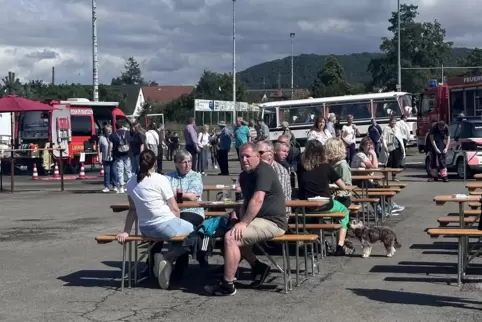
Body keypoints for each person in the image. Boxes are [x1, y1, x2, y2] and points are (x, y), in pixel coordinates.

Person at [204, 143, 287, 296]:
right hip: (258, 220)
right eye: (241, 156)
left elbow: (257, 199)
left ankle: (227, 284)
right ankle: (258, 266)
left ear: (258, 156)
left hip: (273, 221)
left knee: (231, 238)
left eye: (248, 156)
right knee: (231, 231)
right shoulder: (244, 175)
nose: (244, 159)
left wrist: (243, 223)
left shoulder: (264, 170)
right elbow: (246, 202)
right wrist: (238, 220)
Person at [115, 150, 194, 290]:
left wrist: (126, 231)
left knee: (181, 235)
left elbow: (132, 210)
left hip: (146, 228)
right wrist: (178, 225)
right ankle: (167, 258)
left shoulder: (131, 182)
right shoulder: (161, 179)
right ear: (155, 163)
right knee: (196, 233)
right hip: (165, 224)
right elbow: (174, 208)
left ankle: (164, 263)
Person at [297, 140, 350, 256]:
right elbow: (343, 185)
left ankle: (320, 242)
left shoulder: (300, 167)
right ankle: (340, 245)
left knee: (315, 218)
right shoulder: (326, 166)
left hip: (307, 206)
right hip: (325, 204)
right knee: (345, 212)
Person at [352, 137, 404, 215]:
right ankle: (378, 209)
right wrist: (373, 155)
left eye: (371, 145)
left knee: (382, 188)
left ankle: (389, 205)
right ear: (362, 146)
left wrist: (372, 156)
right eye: (367, 145)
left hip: (367, 179)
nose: (370, 147)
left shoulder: (368, 155)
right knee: (373, 190)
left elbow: (373, 167)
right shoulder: (360, 154)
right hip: (357, 180)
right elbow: (373, 167)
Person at [257, 140, 292, 216]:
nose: (257, 155)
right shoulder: (254, 169)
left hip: (276, 216)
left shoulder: (280, 172)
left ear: (270, 154)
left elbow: (279, 198)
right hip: (256, 213)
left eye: (260, 152)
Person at [325, 138, 352, 208]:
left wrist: (334, 186)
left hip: (342, 197)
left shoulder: (343, 165)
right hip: (331, 196)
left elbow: (347, 185)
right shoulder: (329, 165)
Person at [109, 120, 132, 193]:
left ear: (115, 126)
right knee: (128, 170)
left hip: (118, 155)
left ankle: (121, 187)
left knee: (120, 170)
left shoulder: (113, 135)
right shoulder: (128, 133)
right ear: (122, 126)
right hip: (127, 154)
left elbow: (110, 146)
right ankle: (130, 185)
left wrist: (110, 154)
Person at [381, 116, 406, 181]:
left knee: (395, 163)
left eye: (395, 121)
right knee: (387, 163)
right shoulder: (386, 128)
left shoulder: (397, 129)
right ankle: (385, 177)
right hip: (389, 148)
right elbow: (384, 138)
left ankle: (393, 177)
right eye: (392, 121)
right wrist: (385, 147)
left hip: (397, 148)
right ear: (390, 121)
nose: (394, 123)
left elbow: (400, 138)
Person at [97, 123, 116, 193]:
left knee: (114, 172)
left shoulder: (114, 136)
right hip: (105, 157)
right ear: (105, 131)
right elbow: (99, 147)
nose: (109, 132)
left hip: (113, 157)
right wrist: (99, 157)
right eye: (107, 130)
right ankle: (107, 186)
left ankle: (115, 185)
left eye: (110, 130)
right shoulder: (101, 138)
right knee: (107, 172)